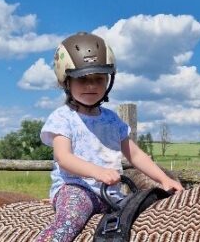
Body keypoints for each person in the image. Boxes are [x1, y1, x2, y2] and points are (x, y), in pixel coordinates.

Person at [36, 32, 183, 242]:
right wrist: (98, 172)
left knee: (145, 217)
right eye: (82, 79)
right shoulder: (63, 117)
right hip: (77, 189)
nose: (91, 85)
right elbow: (64, 158)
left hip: (110, 192)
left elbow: (135, 155)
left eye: (99, 78)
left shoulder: (112, 120)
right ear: (66, 81)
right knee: (68, 223)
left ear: (109, 80)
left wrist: (164, 179)